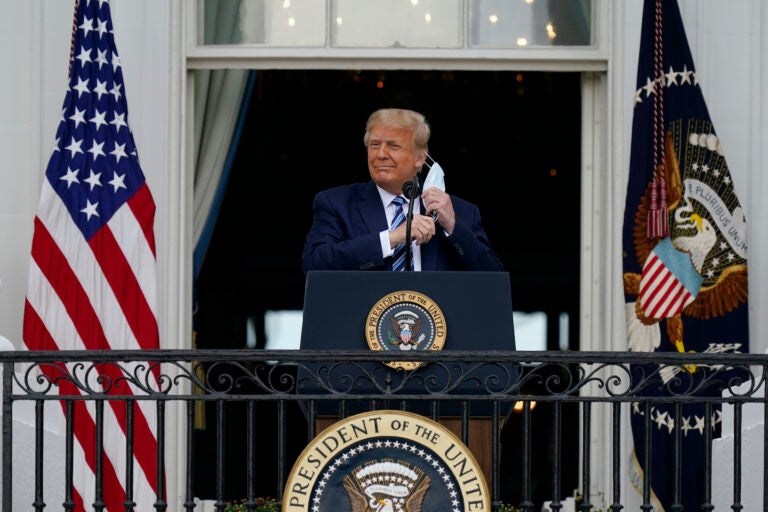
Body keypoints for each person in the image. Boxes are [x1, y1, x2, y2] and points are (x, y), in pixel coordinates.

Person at [301, 108, 503, 273]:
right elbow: (315, 264)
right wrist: (393, 237)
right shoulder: (336, 203)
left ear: (420, 159)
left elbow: (493, 278)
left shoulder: (460, 211)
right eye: (374, 145)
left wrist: (452, 226)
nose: (380, 154)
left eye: (393, 146)